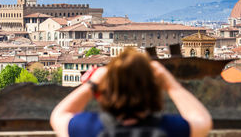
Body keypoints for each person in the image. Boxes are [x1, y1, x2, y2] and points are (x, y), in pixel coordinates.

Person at [50, 48, 213, 137]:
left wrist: (94, 82)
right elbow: (202, 120)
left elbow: (59, 115)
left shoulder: (89, 128)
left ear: (103, 92)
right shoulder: (170, 129)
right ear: (154, 92)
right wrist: (169, 83)